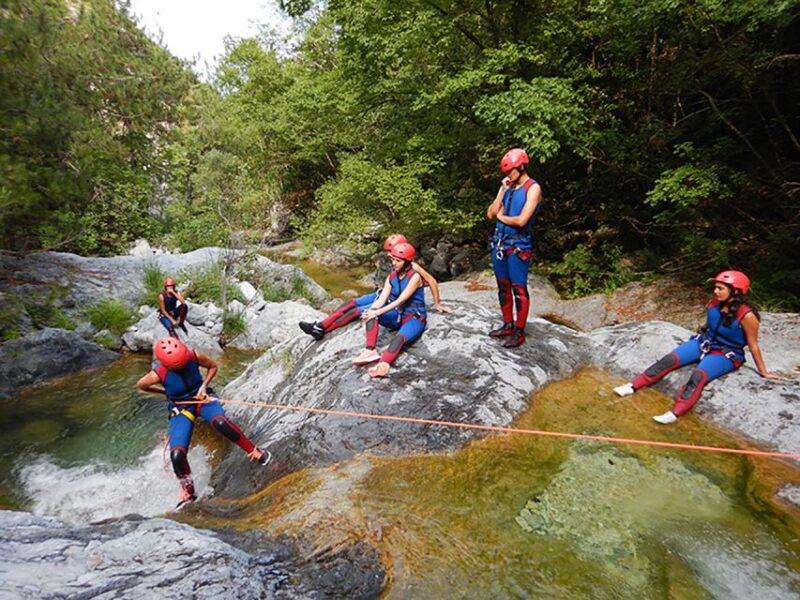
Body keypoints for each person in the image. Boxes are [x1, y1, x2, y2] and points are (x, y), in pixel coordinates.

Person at [613, 270, 787, 424]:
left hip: (726, 353)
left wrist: (764, 372)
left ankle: (674, 413)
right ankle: (632, 386)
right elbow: (710, 323)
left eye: (721, 288)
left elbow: (753, 345)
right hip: (705, 342)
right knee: (669, 360)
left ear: (735, 291)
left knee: (698, 375)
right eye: (716, 287)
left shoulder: (747, 315)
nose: (715, 291)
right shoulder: (714, 303)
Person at [136, 337, 271, 508]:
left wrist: (203, 386)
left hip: (203, 398)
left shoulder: (193, 356)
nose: (183, 365)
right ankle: (188, 493)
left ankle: (254, 451)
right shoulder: (158, 374)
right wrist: (166, 394)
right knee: (176, 455)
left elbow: (213, 366)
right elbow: (142, 385)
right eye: (178, 365)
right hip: (181, 408)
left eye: (183, 362)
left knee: (220, 423)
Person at [298, 234, 450, 341]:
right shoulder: (396, 261)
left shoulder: (413, 266)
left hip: (390, 300)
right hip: (383, 294)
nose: (389, 256)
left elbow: (431, 280)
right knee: (352, 302)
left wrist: (437, 303)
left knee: (356, 311)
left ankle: (322, 328)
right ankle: (320, 325)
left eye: (391, 252)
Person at [486, 148, 542, 348]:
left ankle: (519, 331)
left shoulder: (532, 188)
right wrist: (502, 190)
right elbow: (491, 213)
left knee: (518, 288)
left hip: (518, 244)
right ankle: (508, 324)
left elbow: (521, 220)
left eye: (510, 171)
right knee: (503, 286)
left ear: (521, 167)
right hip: (500, 242)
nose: (508, 175)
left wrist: (501, 216)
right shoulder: (508, 187)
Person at [351, 242, 427, 378]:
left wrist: (377, 312)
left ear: (407, 261)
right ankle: (370, 351)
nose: (394, 263)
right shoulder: (392, 275)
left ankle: (383, 364)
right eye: (393, 260)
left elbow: (400, 300)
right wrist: (373, 310)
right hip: (398, 314)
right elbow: (381, 299)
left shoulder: (414, 276)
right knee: (370, 314)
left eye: (398, 261)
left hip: (414, 316)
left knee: (398, 339)